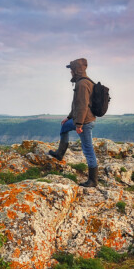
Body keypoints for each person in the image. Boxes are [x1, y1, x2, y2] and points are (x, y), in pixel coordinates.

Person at [48, 57, 98, 188]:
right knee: (64, 126)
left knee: (88, 150)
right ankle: (59, 153)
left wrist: (79, 124)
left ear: (76, 70)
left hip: (85, 122)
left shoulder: (82, 84)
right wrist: (69, 118)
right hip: (81, 119)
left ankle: (93, 180)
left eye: (71, 69)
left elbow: (82, 106)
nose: (70, 72)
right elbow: (75, 104)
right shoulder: (83, 82)